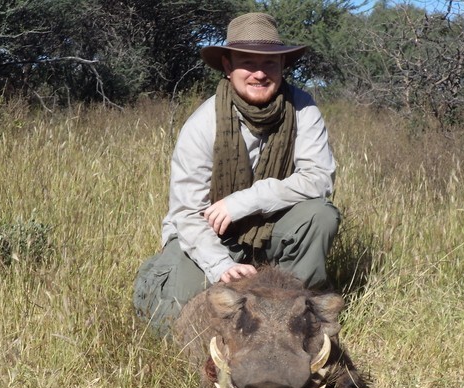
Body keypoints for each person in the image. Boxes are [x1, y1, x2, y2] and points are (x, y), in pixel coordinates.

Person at [133, 12, 340, 333]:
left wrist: (245, 201)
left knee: (320, 214)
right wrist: (222, 266)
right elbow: (187, 214)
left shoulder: (303, 108)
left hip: (270, 227)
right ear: (228, 67)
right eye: (247, 62)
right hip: (207, 235)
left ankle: (296, 309)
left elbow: (319, 179)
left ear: (283, 65)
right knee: (173, 324)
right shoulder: (203, 124)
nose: (259, 73)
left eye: (270, 63)